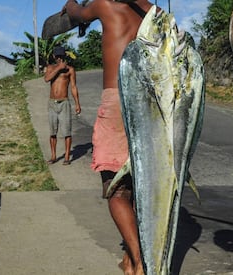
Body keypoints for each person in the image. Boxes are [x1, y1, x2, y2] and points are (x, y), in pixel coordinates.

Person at [64, 1, 154, 274]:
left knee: (116, 188)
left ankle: (140, 262)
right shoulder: (153, 13)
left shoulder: (104, 5)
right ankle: (129, 260)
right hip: (149, 102)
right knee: (140, 187)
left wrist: (69, 3)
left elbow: (78, 14)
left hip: (117, 100)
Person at [44, 46, 81, 165]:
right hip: (52, 103)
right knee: (52, 132)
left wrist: (77, 104)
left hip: (64, 102)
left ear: (64, 56)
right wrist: (59, 68)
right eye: (57, 56)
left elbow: (74, 87)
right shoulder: (50, 68)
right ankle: (53, 156)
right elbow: (47, 79)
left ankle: (66, 157)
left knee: (67, 131)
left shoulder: (70, 70)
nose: (59, 59)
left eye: (61, 56)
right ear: (54, 57)